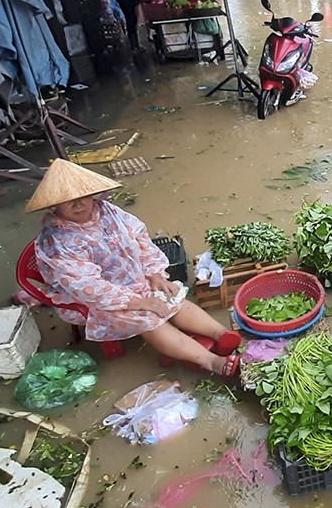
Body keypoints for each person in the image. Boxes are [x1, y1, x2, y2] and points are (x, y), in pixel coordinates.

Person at [27, 160, 242, 377]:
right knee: (148, 318)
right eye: (68, 201)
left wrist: (154, 274)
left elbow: (140, 237)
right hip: (94, 298)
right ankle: (211, 361)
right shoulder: (58, 240)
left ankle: (221, 333)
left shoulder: (107, 211)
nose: (79, 204)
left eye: (83, 196)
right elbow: (86, 287)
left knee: (173, 296)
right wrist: (141, 302)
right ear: (54, 205)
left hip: (133, 277)